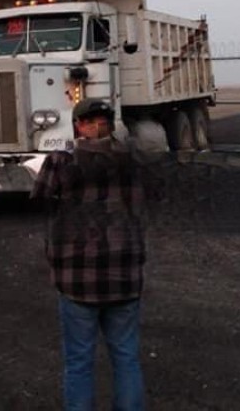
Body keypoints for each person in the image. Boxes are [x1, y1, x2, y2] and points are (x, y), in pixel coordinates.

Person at [31, 98, 149, 410]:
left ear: (78, 125)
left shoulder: (61, 161)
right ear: (110, 124)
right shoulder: (134, 159)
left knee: (79, 362)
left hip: (76, 279)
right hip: (125, 275)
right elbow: (156, 192)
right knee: (126, 358)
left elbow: (39, 197)